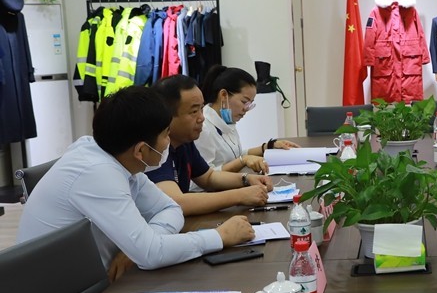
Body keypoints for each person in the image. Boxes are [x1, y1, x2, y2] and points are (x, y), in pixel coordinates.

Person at [16, 87, 254, 281]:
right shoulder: (97, 172)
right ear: (141, 150)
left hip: (95, 279)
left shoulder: (117, 156)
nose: (168, 142)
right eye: (166, 135)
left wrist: (137, 247)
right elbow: (151, 255)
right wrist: (219, 236)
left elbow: (170, 208)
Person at [147, 75, 273, 216]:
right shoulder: (153, 149)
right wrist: (239, 196)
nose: (201, 118)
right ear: (166, 116)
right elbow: (177, 202)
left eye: (201, 109)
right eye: (194, 111)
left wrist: (246, 179)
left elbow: (208, 177)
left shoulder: (184, 142)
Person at [194, 65, 299, 176]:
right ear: (223, 95)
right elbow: (204, 177)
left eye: (250, 104)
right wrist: (243, 160)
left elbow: (235, 155)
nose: (246, 109)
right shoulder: (203, 128)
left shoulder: (227, 121)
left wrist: (268, 147)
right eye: (244, 102)